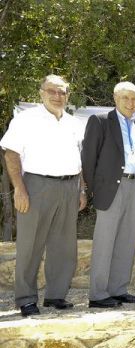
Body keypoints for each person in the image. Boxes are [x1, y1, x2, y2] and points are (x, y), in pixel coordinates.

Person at [1, 74, 86, 316]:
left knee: (63, 246)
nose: (58, 96)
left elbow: (79, 161)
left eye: (62, 92)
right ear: (41, 93)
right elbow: (11, 154)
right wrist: (19, 188)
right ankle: (26, 298)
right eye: (52, 91)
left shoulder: (73, 123)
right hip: (37, 186)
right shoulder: (26, 120)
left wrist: (81, 189)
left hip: (69, 187)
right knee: (30, 245)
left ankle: (55, 295)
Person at [82, 82, 135, 308]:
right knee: (105, 241)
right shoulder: (100, 121)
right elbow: (89, 159)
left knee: (127, 241)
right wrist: (91, 189)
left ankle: (118, 289)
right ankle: (98, 294)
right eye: (126, 98)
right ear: (115, 98)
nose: (131, 103)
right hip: (111, 188)